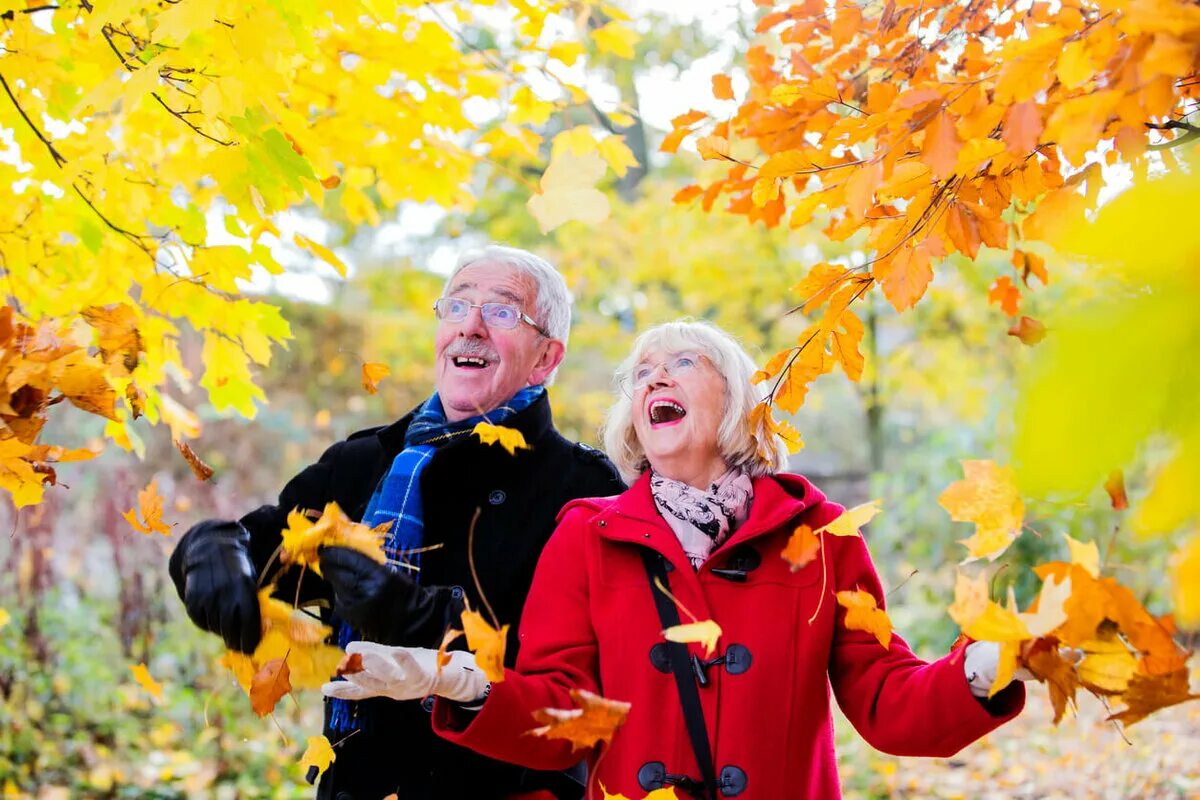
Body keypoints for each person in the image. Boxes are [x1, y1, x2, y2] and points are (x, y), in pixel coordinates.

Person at [322, 319, 1027, 799]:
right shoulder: (586, 536)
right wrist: (451, 677)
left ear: (740, 401)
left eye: (682, 364)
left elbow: (884, 698)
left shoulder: (820, 535)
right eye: (642, 376)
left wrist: (974, 670)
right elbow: (561, 714)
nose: (654, 381)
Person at [168, 245, 624, 800]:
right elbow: (269, 551)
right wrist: (210, 550)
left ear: (546, 358)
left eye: (502, 312)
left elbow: (578, 695)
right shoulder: (365, 463)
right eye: (456, 306)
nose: (471, 327)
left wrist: (421, 619)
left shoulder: (584, 490)